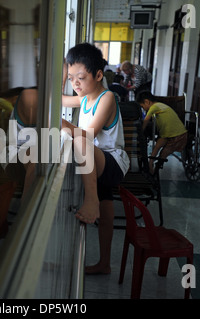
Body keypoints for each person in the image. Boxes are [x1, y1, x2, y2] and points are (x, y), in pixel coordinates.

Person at [62, 43, 130, 275]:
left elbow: (87, 136)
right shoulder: (83, 98)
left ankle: (91, 200)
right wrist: (65, 74)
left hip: (112, 162)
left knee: (80, 142)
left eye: (80, 78)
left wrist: (62, 124)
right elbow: (57, 99)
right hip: (95, 164)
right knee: (108, 213)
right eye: (71, 79)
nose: (75, 84)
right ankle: (104, 264)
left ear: (98, 75)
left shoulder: (107, 97)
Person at [136, 91, 188, 174]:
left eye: (142, 106)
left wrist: (140, 132)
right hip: (168, 135)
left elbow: (146, 120)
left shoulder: (154, 107)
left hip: (177, 136)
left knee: (163, 153)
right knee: (157, 145)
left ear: (147, 102)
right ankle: (150, 164)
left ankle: (155, 169)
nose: (143, 108)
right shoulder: (161, 105)